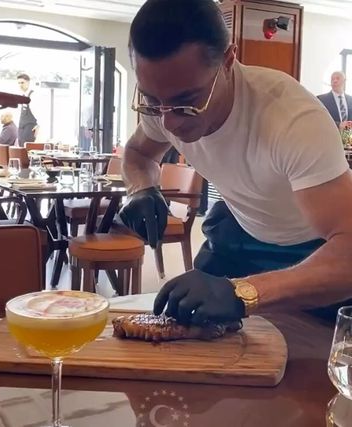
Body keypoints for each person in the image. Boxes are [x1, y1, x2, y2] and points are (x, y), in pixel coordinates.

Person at [120, 0, 352, 326]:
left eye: (187, 101)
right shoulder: (165, 105)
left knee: (312, 348)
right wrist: (141, 188)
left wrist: (243, 292)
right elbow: (138, 153)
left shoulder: (292, 119)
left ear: (229, 60)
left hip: (314, 249)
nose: (169, 122)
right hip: (238, 233)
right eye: (152, 100)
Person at [17, 73, 39, 143]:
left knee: (27, 146)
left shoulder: (33, 95)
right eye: (19, 83)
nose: (20, 85)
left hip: (30, 126)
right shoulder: (21, 95)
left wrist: (38, 125)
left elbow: (39, 111)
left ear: (28, 82)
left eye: (22, 83)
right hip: (21, 126)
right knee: (20, 146)